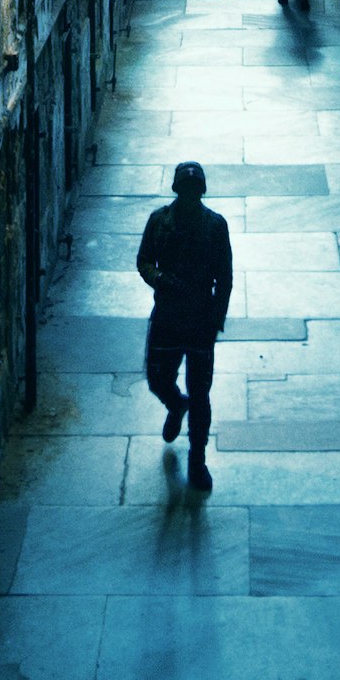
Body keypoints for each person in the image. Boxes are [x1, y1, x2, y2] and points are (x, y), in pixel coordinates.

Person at [137, 161, 233, 487]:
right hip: (167, 315)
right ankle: (176, 405)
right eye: (186, 189)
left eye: (195, 190)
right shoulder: (159, 221)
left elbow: (226, 278)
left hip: (199, 320)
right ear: (178, 190)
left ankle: (197, 459)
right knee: (157, 377)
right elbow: (144, 261)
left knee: (201, 393)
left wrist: (215, 321)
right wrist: (160, 278)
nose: (191, 195)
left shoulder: (215, 226)